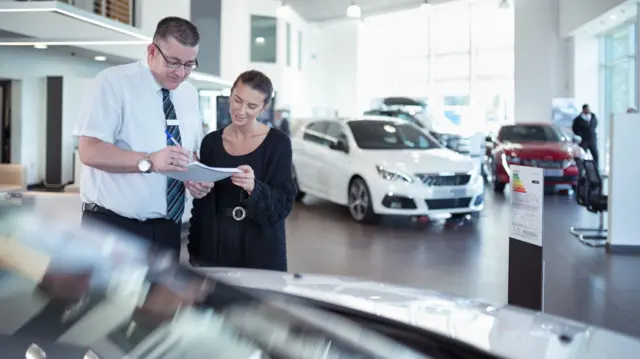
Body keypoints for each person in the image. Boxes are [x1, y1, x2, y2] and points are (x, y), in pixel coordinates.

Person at [73, 17, 214, 254]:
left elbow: (189, 151)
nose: (181, 73)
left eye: (189, 64)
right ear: (151, 51)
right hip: (114, 226)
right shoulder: (113, 82)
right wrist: (149, 161)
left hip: (169, 228)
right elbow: (89, 150)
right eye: (173, 62)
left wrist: (196, 175)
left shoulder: (189, 94)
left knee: (161, 292)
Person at [187, 70, 296, 271]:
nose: (241, 110)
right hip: (216, 249)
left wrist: (254, 188)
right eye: (237, 100)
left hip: (261, 250)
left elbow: (282, 205)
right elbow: (202, 206)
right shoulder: (211, 142)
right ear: (230, 95)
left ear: (264, 108)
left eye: (252, 106)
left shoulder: (277, 144)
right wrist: (196, 253)